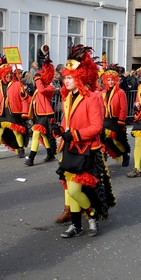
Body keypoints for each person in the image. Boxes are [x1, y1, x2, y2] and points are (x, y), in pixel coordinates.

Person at [53, 45, 115, 238]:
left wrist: (76, 134)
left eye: (70, 77)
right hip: (70, 148)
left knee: (75, 190)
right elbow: (67, 123)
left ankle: (92, 215)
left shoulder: (93, 97)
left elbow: (97, 127)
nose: (66, 80)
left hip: (88, 149)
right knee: (70, 189)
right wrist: (60, 130)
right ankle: (76, 225)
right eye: (65, 77)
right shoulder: (67, 98)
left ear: (79, 77)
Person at [0, 63, 29, 161]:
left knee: (17, 131)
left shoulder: (18, 84)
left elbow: (24, 100)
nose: (9, 75)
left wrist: (25, 112)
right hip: (2, 112)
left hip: (14, 112)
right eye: (6, 74)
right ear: (2, 75)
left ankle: (21, 148)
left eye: (10, 73)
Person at [24, 58, 56, 166]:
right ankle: (50, 153)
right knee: (43, 135)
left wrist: (37, 78)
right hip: (38, 114)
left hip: (46, 115)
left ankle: (31, 158)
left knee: (36, 134)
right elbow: (35, 100)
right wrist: (25, 96)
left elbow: (42, 91)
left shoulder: (50, 87)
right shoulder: (40, 87)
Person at [100, 64, 131, 168]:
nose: (110, 82)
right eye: (108, 80)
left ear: (116, 80)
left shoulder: (120, 92)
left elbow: (123, 108)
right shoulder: (103, 93)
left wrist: (121, 122)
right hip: (105, 120)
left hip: (115, 121)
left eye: (112, 80)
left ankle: (125, 154)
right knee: (104, 142)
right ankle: (103, 159)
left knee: (117, 141)